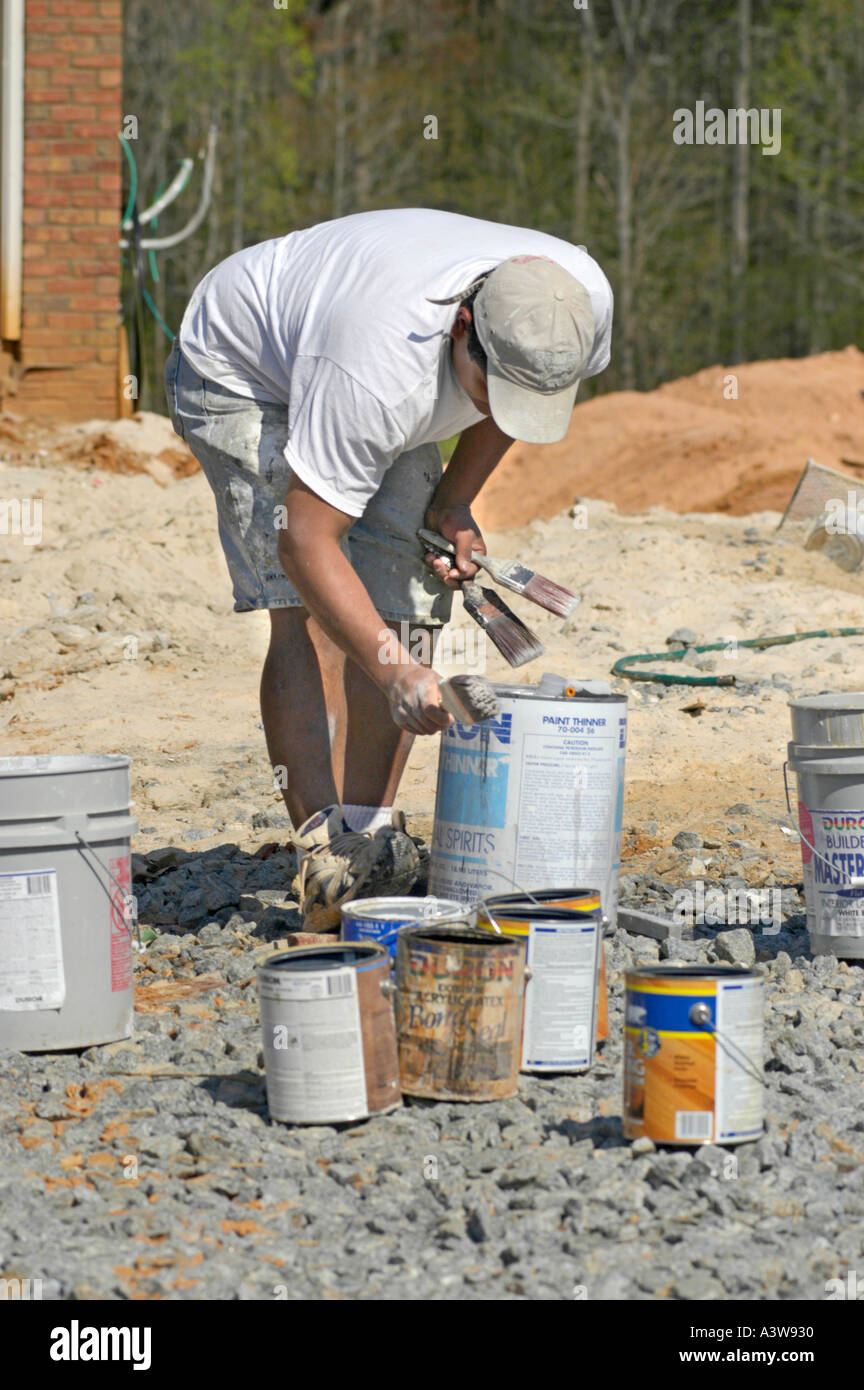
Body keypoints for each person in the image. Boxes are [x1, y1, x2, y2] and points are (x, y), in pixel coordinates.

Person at [165, 207, 613, 921]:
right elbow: (306, 541)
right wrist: (393, 671)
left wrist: (454, 501)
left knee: (405, 595)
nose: (505, 407)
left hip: (369, 356)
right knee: (304, 609)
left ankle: (369, 835)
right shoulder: (374, 371)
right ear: (465, 328)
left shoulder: (574, 306)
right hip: (246, 370)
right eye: (494, 387)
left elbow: (511, 399)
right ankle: (324, 853)